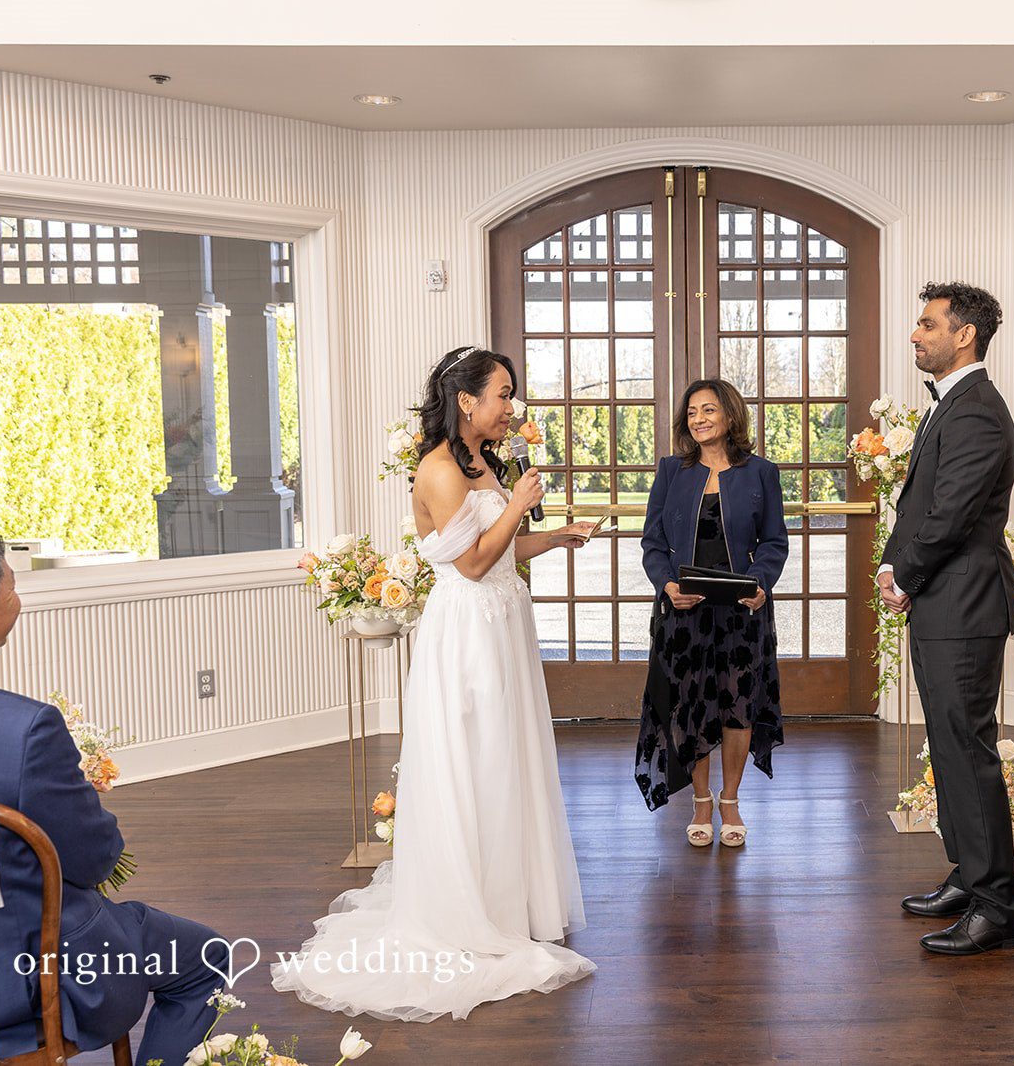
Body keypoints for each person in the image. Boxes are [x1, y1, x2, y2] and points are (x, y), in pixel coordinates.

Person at [272, 346, 599, 1020]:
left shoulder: (486, 460)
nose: (512, 406)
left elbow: (504, 546)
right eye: (503, 394)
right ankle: (469, 908)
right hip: (469, 630)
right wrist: (525, 503)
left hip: (505, 621)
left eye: (511, 395)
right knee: (474, 761)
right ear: (467, 400)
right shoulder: (441, 468)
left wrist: (556, 535)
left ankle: (512, 897)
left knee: (508, 760)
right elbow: (475, 562)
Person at [0, 514, 225, 1065]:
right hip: (13, 998)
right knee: (207, 957)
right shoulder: (22, 728)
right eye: (10, 588)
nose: (17, 598)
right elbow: (94, 860)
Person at [879, 281, 1014, 956]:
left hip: (962, 604)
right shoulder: (955, 406)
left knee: (968, 752)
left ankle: (999, 903)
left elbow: (949, 517)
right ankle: (970, 876)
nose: (916, 334)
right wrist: (895, 565)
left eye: (927, 323)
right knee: (949, 749)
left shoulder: (975, 412)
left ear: (963, 334)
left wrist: (902, 574)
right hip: (945, 601)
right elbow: (921, 504)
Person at [635, 379, 788, 847]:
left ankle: (730, 800)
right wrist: (666, 585)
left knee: (738, 707)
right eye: (692, 412)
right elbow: (653, 543)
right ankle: (701, 802)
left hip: (743, 611)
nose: (698, 419)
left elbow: (774, 543)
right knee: (691, 707)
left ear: (730, 416)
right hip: (686, 614)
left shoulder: (761, 472)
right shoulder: (671, 471)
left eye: (709, 410)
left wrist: (760, 584)